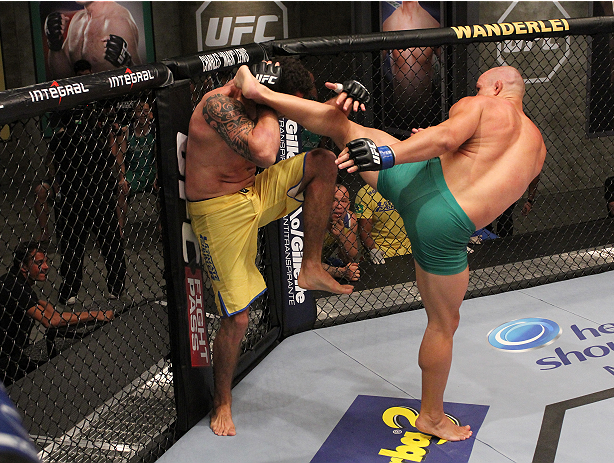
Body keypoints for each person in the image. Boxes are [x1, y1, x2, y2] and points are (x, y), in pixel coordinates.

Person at [234, 64, 546, 441]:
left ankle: (260, 93)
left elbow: (448, 139)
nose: (476, 91)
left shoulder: (482, 106)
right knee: (442, 325)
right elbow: (481, 170)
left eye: (480, 86)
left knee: (342, 126)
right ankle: (431, 416)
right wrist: (420, 147)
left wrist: (390, 155)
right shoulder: (538, 146)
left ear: (496, 87)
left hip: (417, 179)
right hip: (446, 226)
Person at [184, 58, 363, 437]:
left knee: (323, 161)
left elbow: (325, 119)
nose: (286, 114)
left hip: (254, 192)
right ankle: (222, 402)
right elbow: (264, 152)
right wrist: (267, 102)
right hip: (217, 211)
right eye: (281, 103)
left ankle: (311, 266)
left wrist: (350, 94)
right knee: (239, 319)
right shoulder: (219, 105)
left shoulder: (266, 98)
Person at [0, 241, 114, 385]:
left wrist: (50, 309)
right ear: (23, 266)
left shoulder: (13, 280)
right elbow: (51, 321)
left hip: (9, 357)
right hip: (0, 364)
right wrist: (96, 314)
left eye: (46, 262)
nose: (46, 267)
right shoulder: (15, 287)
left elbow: (46, 308)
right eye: (39, 263)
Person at [52, 98, 126, 305]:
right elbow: (110, 160)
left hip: (76, 197)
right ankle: (115, 286)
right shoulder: (89, 138)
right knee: (107, 242)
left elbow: (54, 163)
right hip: (93, 196)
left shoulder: (61, 140)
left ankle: (70, 290)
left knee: (73, 245)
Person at [34, 60, 94, 243]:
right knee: (41, 190)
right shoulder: (61, 136)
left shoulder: (94, 101)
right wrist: (54, 181)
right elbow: (50, 160)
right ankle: (45, 233)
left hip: (87, 171)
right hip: (64, 174)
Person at [44, 1, 142, 79]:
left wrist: (128, 62)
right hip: (81, 102)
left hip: (110, 101)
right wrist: (54, 45)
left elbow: (142, 82)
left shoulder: (118, 21)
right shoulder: (77, 19)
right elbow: (62, 77)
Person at [115, 99, 157, 234]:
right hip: (133, 172)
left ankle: (163, 228)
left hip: (150, 170)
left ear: (151, 114)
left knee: (165, 187)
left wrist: (157, 175)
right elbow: (120, 157)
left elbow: (157, 156)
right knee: (121, 189)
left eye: (146, 111)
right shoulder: (127, 131)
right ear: (134, 114)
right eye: (140, 111)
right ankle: (119, 230)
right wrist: (122, 177)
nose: (143, 114)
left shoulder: (155, 131)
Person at [355, 183, 411, 264]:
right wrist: (372, 249)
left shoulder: (405, 187)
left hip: (406, 245)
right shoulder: (365, 193)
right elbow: (364, 230)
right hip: (381, 248)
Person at [323, 184, 361, 282]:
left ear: (348, 205)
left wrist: (342, 236)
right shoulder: (313, 222)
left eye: (344, 201)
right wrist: (340, 272)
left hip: (326, 262)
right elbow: (307, 263)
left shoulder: (349, 219)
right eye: (333, 200)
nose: (339, 206)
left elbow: (351, 258)